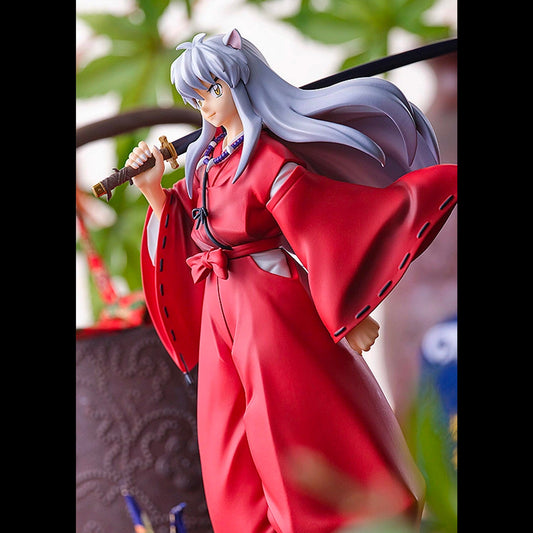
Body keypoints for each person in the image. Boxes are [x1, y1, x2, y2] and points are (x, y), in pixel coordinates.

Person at [125, 29, 457, 533]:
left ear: (240, 82)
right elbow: (191, 227)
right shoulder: (207, 163)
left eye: (212, 89)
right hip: (220, 307)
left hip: (267, 302)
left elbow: (316, 228)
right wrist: (154, 191)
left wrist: (348, 311)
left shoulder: (268, 160)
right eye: (195, 98)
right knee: (223, 428)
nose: (205, 106)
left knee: (282, 422)